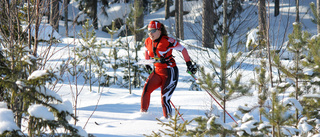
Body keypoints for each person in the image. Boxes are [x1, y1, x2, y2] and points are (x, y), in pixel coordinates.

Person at [140, 20, 197, 118]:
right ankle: (142, 116)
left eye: (153, 31)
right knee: (146, 91)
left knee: (164, 98)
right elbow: (147, 51)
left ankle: (169, 121)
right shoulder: (147, 41)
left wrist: (189, 64)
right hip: (157, 71)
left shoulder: (168, 41)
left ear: (159, 30)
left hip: (169, 72)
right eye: (149, 31)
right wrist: (147, 64)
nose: (150, 33)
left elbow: (183, 49)